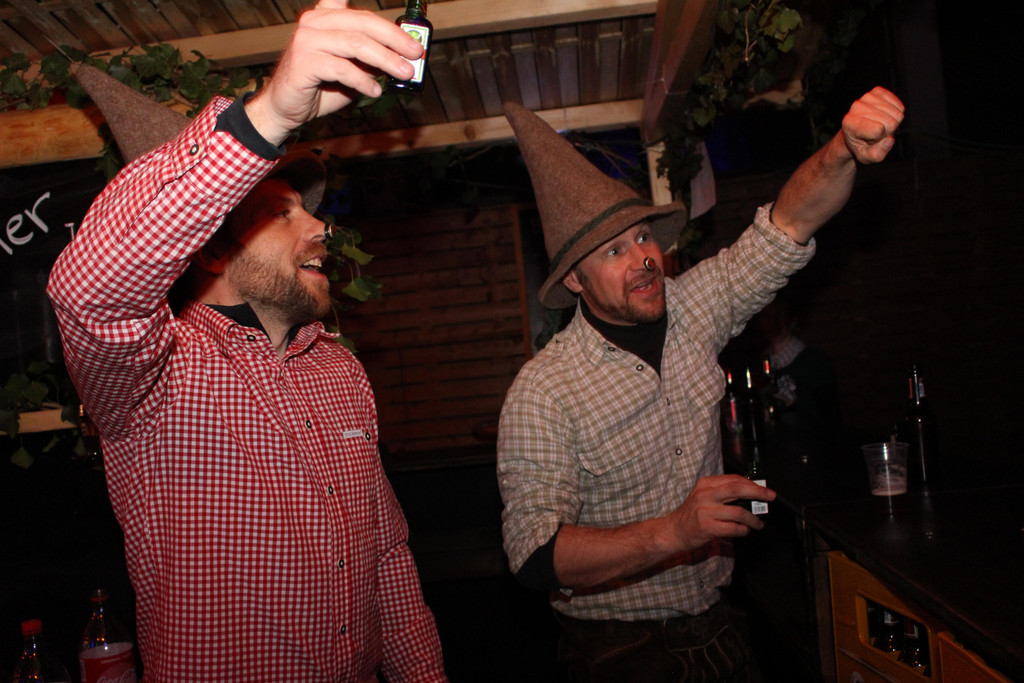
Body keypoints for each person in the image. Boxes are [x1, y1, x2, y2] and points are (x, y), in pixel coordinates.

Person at [46, 4, 447, 681]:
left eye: (308, 209)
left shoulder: (339, 372)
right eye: (282, 212)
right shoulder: (159, 375)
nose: (320, 228)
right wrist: (264, 120)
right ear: (208, 249)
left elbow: (386, 556)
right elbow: (92, 290)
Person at [497, 87, 904, 682]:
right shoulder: (544, 390)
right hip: (617, 653)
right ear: (576, 281)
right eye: (614, 251)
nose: (643, 259)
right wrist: (674, 531)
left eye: (643, 237)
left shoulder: (693, 309)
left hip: (717, 624)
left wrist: (842, 149)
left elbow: (789, 223)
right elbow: (533, 554)